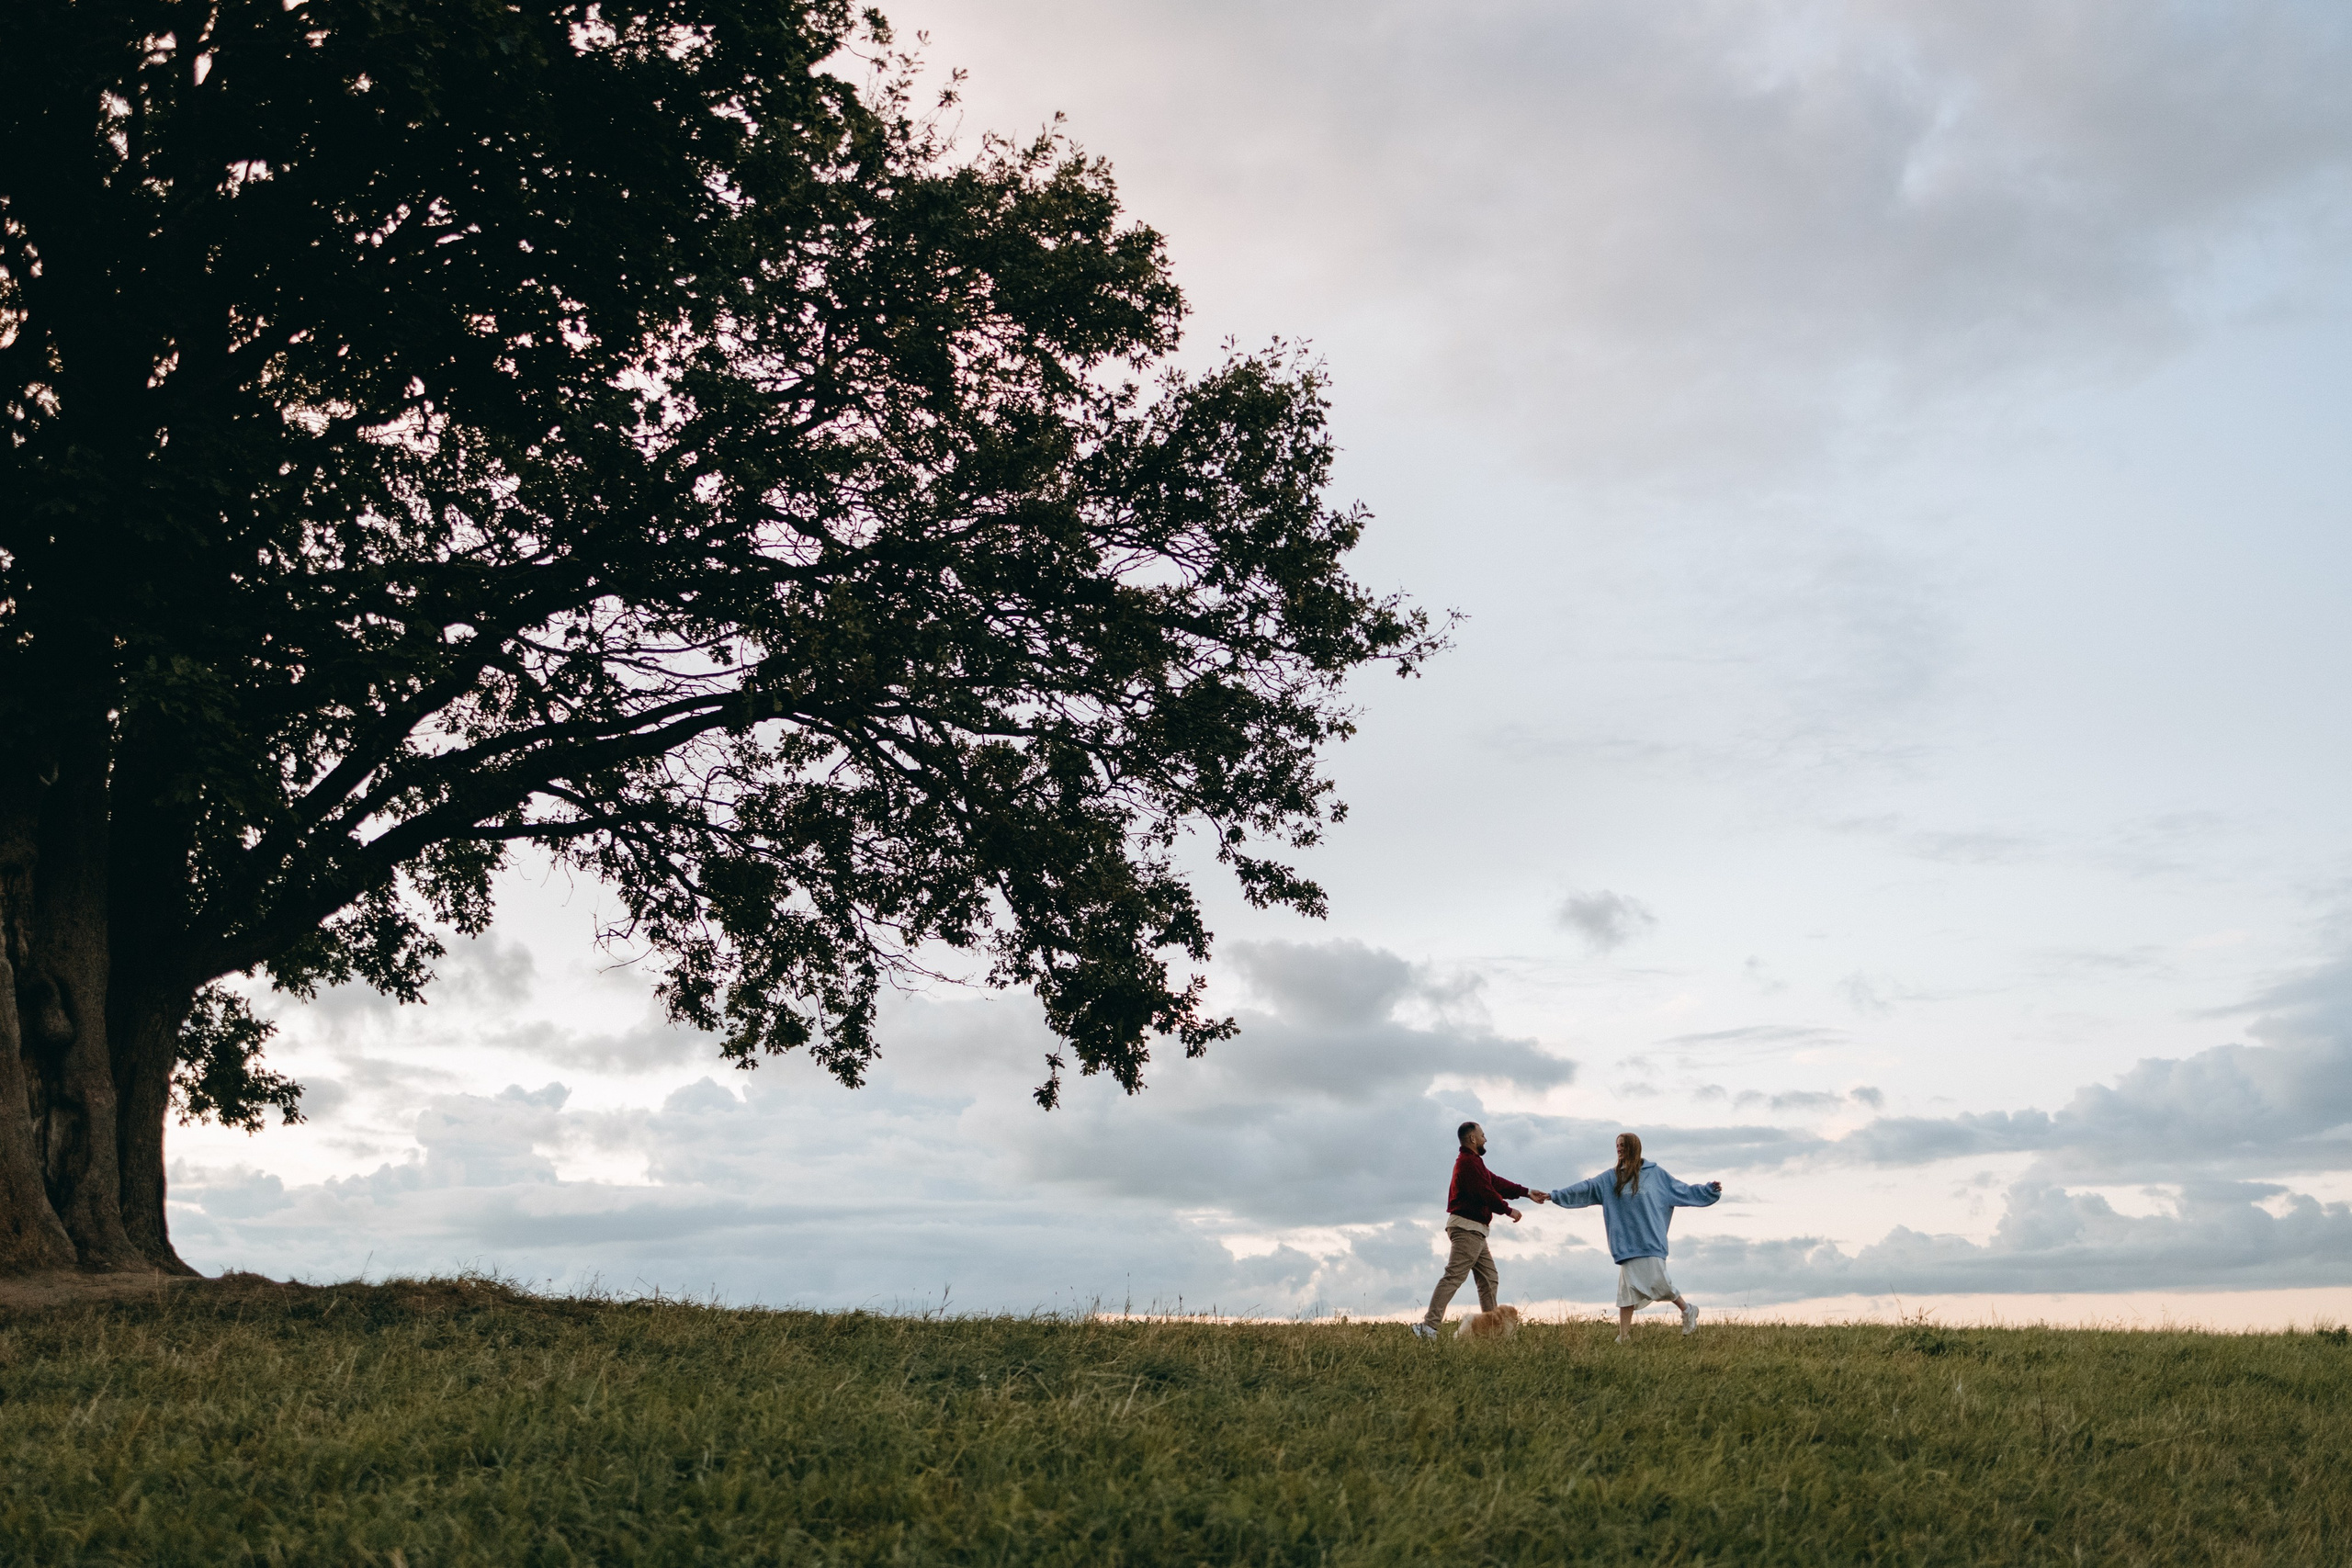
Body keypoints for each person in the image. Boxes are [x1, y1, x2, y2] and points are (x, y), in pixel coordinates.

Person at [1540, 1133, 1721, 1343]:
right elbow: (1587, 1187)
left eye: (1623, 1145)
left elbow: (1682, 1190)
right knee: (1626, 1294)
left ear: (1633, 1147)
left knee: (1659, 1283)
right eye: (1617, 1145)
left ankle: (1688, 1309)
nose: (1619, 1149)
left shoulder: (1655, 1175)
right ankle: (1623, 1336)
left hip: (1650, 1242)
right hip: (1626, 1245)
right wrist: (1554, 1195)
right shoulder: (1611, 1178)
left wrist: (1708, 1190)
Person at [1415, 1120, 1535, 1342]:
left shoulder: (1474, 1163)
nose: (1485, 1138)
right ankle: (1428, 1327)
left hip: (1476, 1231)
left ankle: (1492, 1331)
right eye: (1482, 1135)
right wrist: (1508, 1211)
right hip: (1466, 1228)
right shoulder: (1467, 1163)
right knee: (1454, 1276)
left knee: (1489, 1278)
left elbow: (1495, 1182)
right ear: (1472, 1139)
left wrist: (1527, 1192)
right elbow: (1486, 1192)